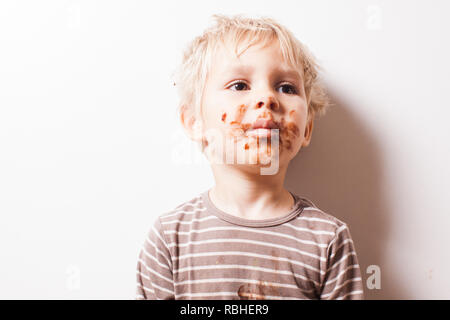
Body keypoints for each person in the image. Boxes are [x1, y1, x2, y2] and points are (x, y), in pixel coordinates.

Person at [136, 14, 364, 300]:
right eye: (240, 85)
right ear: (195, 121)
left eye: (286, 87)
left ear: (306, 128)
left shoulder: (328, 240)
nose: (267, 98)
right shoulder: (170, 239)